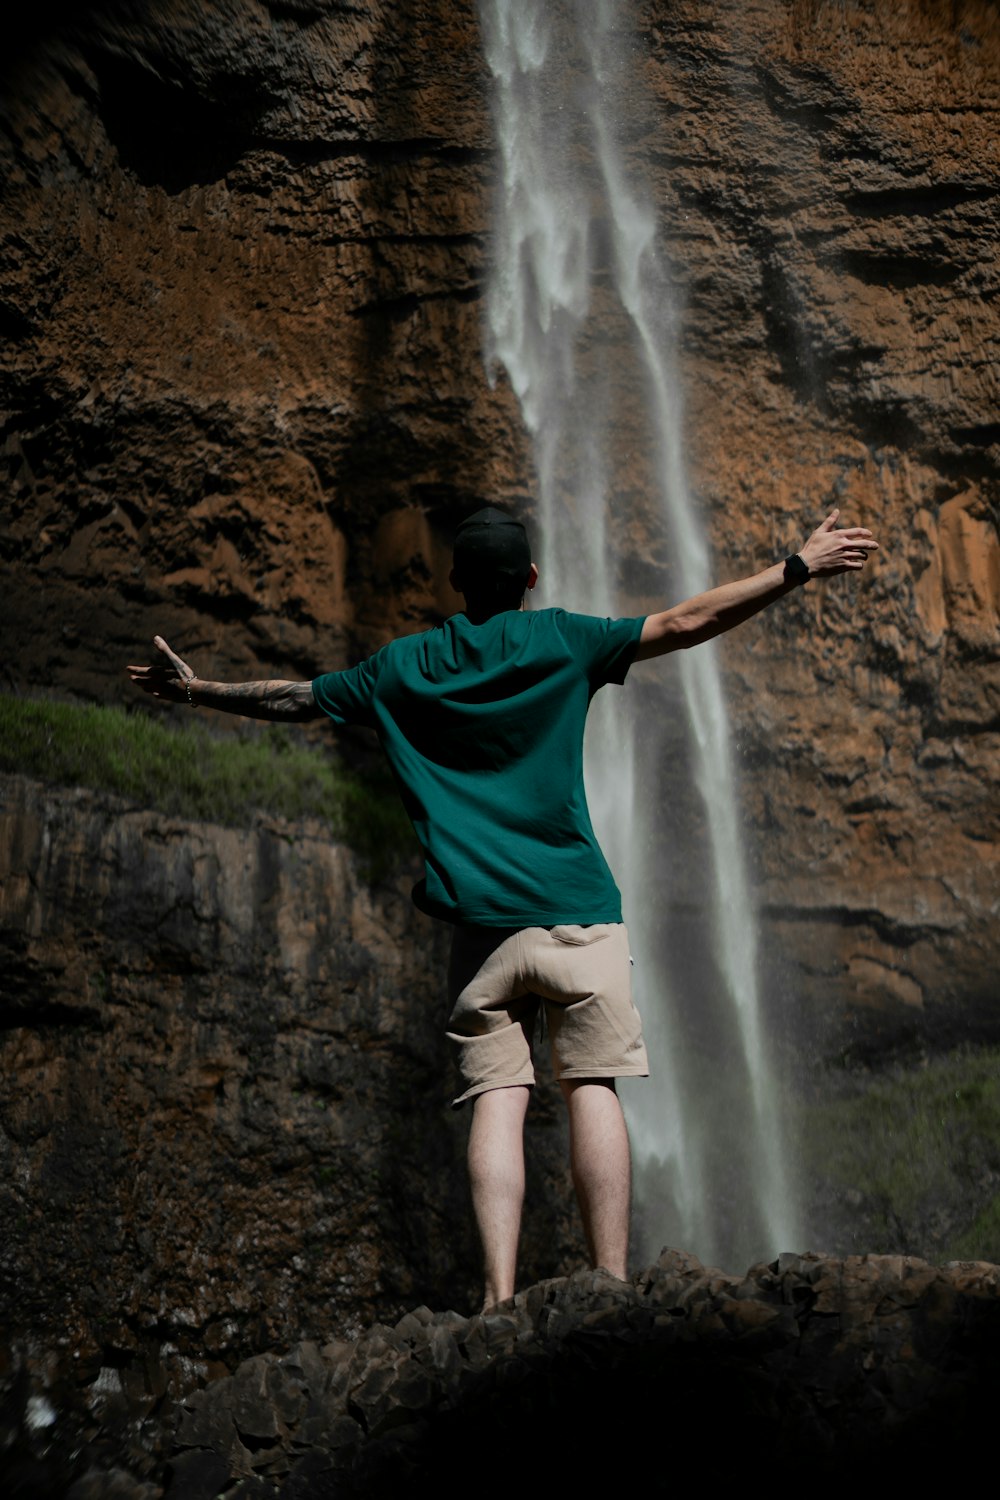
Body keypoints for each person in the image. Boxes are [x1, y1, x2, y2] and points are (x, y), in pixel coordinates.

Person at [128, 505, 878, 1309]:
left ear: (454, 585)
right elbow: (691, 619)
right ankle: (610, 1285)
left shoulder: (403, 666)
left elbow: (297, 699)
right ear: (529, 579)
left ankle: (496, 1298)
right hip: (577, 914)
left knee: (498, 1099)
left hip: (482, 932)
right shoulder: (563, 636)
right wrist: (797, 566)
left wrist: (200, 690)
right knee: (593, 1085)